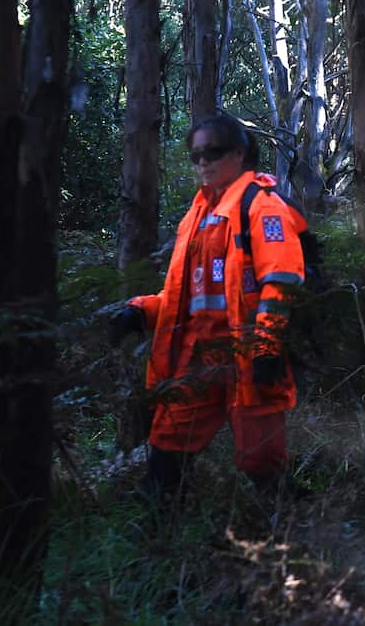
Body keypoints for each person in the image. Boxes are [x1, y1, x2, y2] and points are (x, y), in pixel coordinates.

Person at [109, 112, 306, 498]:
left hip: (249, 356)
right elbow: (186, 294)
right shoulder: (198, 215)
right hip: (197, 358)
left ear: (239, 153)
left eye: (212, 153)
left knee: (261, 461)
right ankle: (158, 540)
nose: (203, 163)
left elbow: (281, 279)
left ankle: (298, 534)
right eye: (195, 155)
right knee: (168, 447)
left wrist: (265, 346)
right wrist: (141, 311)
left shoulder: (261, 205)